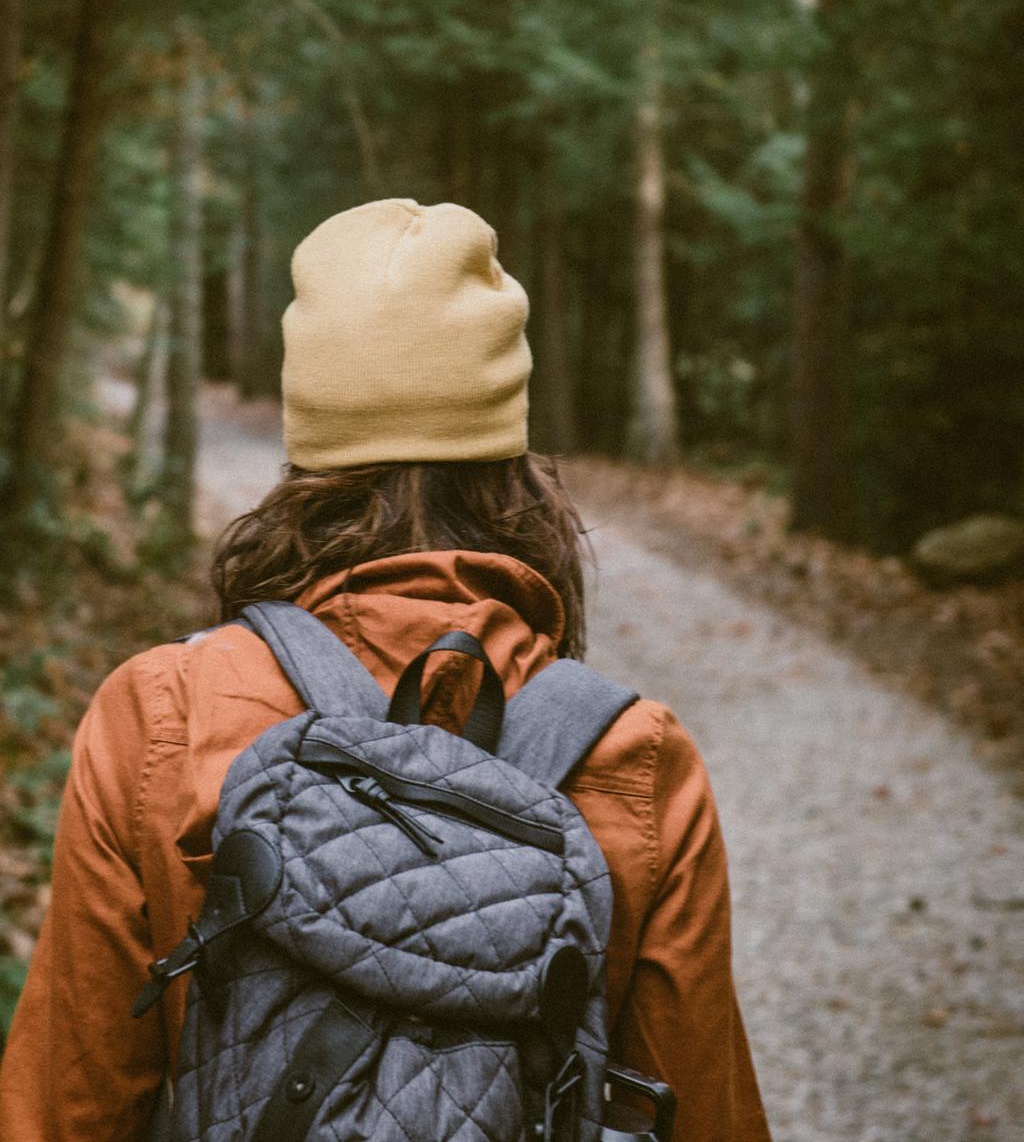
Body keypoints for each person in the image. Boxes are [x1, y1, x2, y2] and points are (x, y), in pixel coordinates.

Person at [0, 198, 772, 1142]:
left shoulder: (162, 713)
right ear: (512, 456)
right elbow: (703, 1115)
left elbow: (61, 1108)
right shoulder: (639, 758)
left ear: (303, 448)